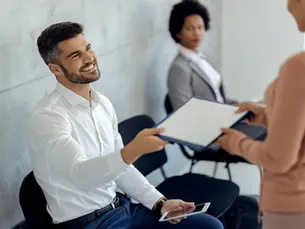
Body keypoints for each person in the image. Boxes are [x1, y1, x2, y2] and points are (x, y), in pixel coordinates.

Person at [26, 21, 223, 229]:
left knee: (209, 226)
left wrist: (159, 203)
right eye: (75, 56)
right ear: (55, 69)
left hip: (122, 209)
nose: (89, 58)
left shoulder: (101, 103)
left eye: (88, 48)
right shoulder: (48, 118)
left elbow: (121, 169)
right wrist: (132, 150)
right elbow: (81, 177)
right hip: (89, 224)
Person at [216, 1, 305, 228]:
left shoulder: (298, 68)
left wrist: (237, 142)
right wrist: (269, 115)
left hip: (293, 204)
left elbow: (278, 158)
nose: (289, 5)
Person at [167, 0, 237, 111]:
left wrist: (238, 106)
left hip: (223, 116)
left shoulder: (202, 57)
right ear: (178, 32)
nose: (197, 33)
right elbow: (184, 111)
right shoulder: (179, 68)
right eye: (190, 28)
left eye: (200, 27)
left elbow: (218, 97)